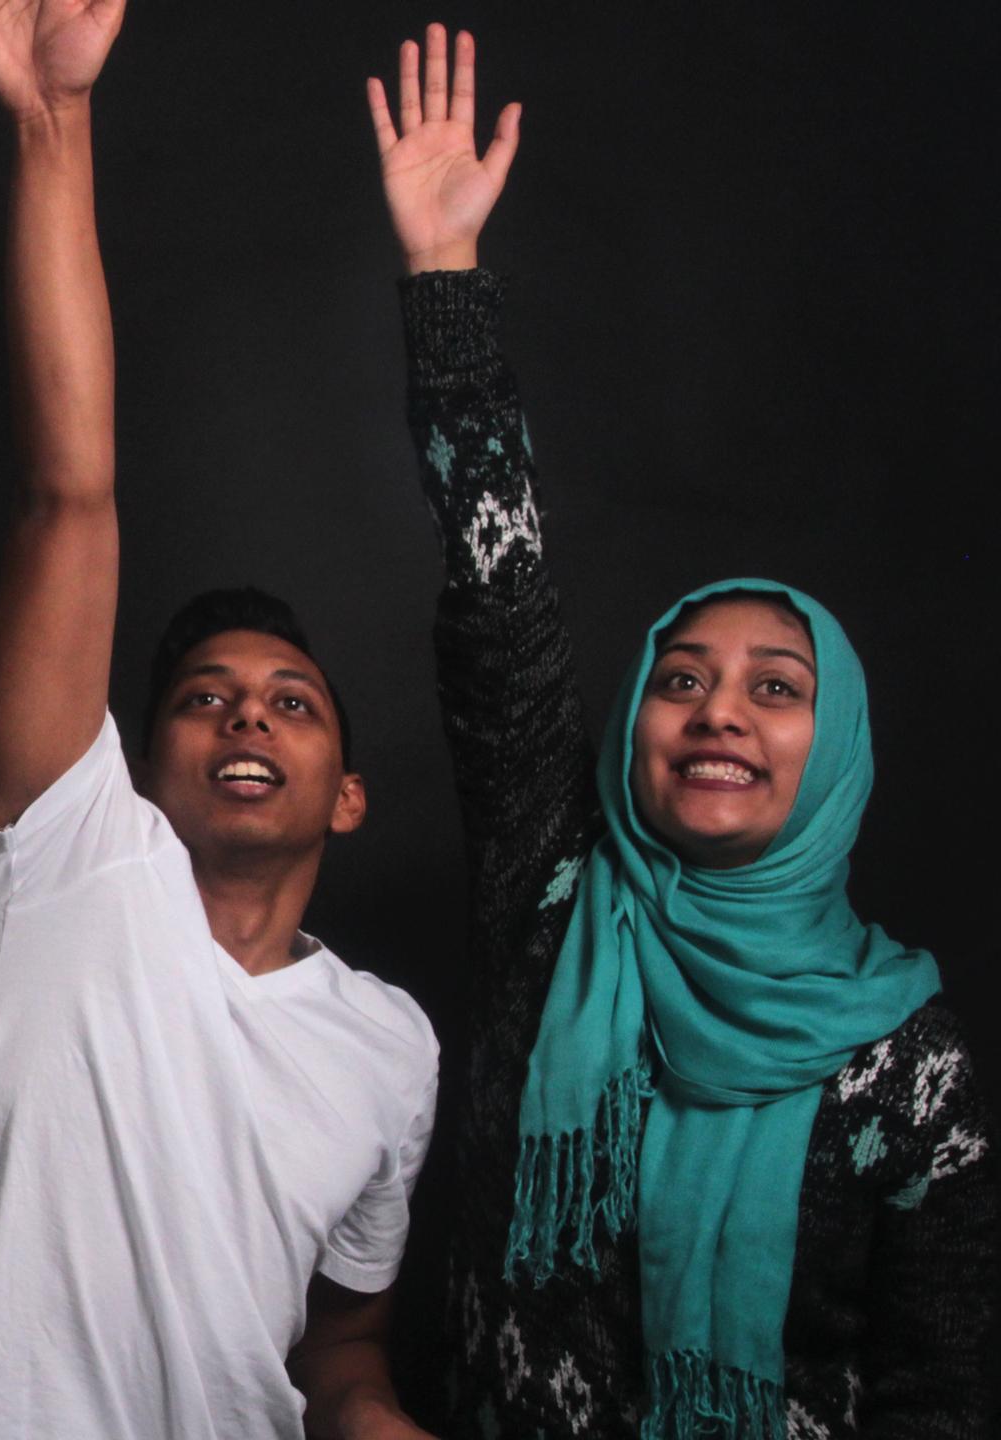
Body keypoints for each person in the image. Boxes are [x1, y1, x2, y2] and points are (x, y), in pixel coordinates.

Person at [367, 24, 999, 1437]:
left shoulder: (909, 1056)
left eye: (777, 687)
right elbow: (499, 599)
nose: (719, 709)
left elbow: (944, 1395)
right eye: (682, 677)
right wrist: (445, 283)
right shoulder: (555, 896)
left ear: (833, 758)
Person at [0, 4, 442, 1437]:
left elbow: (341, 1358)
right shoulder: (69, 861)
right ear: (138, 774)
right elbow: (68, 495)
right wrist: (52, 122)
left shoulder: (392, 1049)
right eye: (202, 702)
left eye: (290, 704)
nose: (244, 718)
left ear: (347, 791)